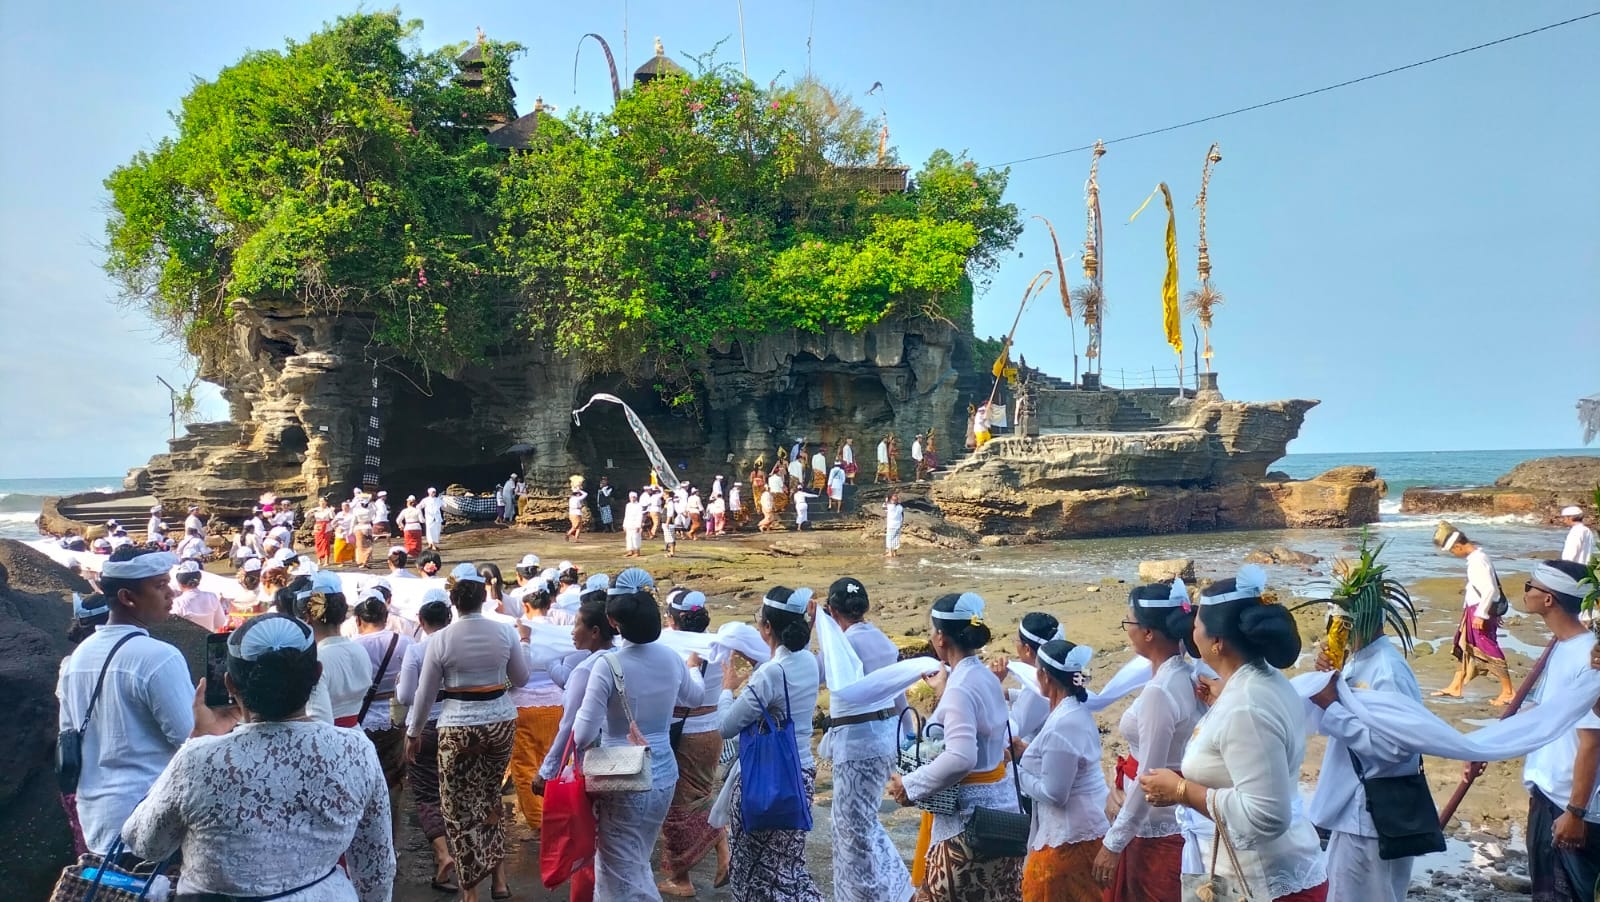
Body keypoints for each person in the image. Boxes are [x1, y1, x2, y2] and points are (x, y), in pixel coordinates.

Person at [121, 613, 395, 901]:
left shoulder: (198, 759)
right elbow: (375, 866)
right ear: (317, 673)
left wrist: (199, 737)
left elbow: (146, 844)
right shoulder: (355, 750)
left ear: (229, 684)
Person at [1139, 566, 1329, 902]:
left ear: (1217, 642)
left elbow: (1267, 816)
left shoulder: (1246, 707)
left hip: (1261, 882)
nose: (1190, 630)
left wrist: (1182, 790)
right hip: (1244, 872)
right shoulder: (1257, 682)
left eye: (1197, 624)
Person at [56, 548, 223, 856]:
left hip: (98, 821)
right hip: (149, 823)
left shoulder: (77, 658)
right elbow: (190, 741)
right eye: (160, 586)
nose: (171, 593)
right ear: (127, 597)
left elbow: (69, 735)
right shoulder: (159, 657)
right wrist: (222, 721)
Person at [406, 563, 531, 902]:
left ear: (454, 601)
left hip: (458, 724)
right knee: (489, 797)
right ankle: (499, 880)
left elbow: (424, 694)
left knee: (457, 808)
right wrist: (524, 642)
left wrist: (413, 732)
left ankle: (470, 890)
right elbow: (521, 678)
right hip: (500, 721)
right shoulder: (505, 632)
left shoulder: (441, 639)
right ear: (482, 597)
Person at [570, 571, 698, 898]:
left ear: (613, 622)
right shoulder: (672, 659)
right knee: (637, 857)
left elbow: (582, 734)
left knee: (615, 865)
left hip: (621, 772)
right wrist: (694, 667)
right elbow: (694, 697)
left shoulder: (608, 665)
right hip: (664, 771)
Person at [888, 592, 1023, 900]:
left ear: (940, 637)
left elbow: (961, 757)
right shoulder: (985, 678)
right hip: (1004, 819)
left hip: (969, 827)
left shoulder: (961, 687)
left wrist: (910, 785)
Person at [1304, 579, 1425, 902]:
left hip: (1372, 814)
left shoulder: (1387, 670)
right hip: (1353, 812)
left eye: (1341, 622)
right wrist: (1327, 683)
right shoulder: (1358, 660)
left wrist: (1332, 706)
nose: (1335, 629)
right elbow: (1334, 725)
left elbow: (1397, 748)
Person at [1093, 580, 1202, 900]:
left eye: (1129, 622)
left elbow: (1151, 775)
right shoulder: (1184, 674)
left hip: (1156, 829)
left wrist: (1114, 843)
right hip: (1167, 818)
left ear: (1149, 632)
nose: (1127, 630)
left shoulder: (1160, 691)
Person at [720, 586, 825, 901]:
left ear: (767, 627)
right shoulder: (809, 661)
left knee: (754, 873)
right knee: (789, 869)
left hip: (765, 779)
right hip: (801, 774)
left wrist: (727, 689)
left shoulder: (770, 673)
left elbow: (727, 726)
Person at [1506, 560, 1600, 899]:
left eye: (1529, 586)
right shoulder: (1560, 646)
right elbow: (1546, 714)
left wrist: (1576, 812)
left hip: (1571, 805)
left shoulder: (1589, 656)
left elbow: (1592, 742)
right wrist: (1485, 744)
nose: (1525, 592)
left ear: (1549, 599)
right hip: (1547, 793)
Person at [817, 577, 911, 902]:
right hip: (886, 736)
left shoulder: (844, 646)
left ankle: (867, 894)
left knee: (850, 829)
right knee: (864, 822)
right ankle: (896, 886)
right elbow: (899, 693)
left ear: (832, 611)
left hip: (859, 744)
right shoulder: (881, 639)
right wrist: (908, 736)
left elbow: (816, 673)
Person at [1013, 639, 1109, 901]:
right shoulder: (1072, 711)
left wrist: (1015, 770)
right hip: (1083, 827)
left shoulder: (1064, 723)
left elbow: (1055, 794)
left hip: (1071, 837)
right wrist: (1023, 753)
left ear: (1044, 675)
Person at [658, 589, 732, 897]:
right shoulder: (719, 644)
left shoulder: (668, 648)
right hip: (713, 731)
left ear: (672, 620)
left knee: (677, 808)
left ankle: (681, 878)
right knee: (701, 796)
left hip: (684, 735)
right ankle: (723, 849)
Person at [397, 592, 458, 892]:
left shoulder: (417, 650)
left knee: (426, 793)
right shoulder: (458, 646)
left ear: (421, 621)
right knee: (455, 789)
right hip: (456, 723)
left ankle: (443, 854)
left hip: (423, 727)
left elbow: (406, 696)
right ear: (449, 618)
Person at [505, 581, 564, 840]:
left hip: (523, 706)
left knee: (525, 765)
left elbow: (516, 671)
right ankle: (559, 815)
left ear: (525, 605)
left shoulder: (516, 631)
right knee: (556, 761)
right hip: (557, 703)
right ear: (550, 602)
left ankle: (539, 822)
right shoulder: (561, 632)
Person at [354, 592, 415, 840]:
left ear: (358, 620)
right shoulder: (405, 642)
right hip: (396, 717)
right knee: (393, 778)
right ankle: (390, 836)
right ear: (386, 617)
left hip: (362, 719)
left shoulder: (354, 647)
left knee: (363, 778)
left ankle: (365, 834)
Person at [1433, 525, 1516, 705]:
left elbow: (1489, 589)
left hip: (1479, 610)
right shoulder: (1479, 557)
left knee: (1488, 647)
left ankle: (1508, 691)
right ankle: (1456, 686)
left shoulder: (1477, 561)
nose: (1454, 554)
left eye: (1453, 551)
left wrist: (1482, 614)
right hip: (1474, 608)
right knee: (1464, 645)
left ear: (1458, 546)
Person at [297, 570, 373, 727]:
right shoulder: (360, 650)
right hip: (356, 732)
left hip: (326, 734)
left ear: (308, 616)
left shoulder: (316, 659)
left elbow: (318, 717)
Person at [987, 611, 1061, 741]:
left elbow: (1010, 730)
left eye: (1017, 640)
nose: (1015, 644)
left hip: (1031, 749)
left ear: (1027, 649)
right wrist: (1008, 694)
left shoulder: (1040, 687)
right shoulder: (1053, 670)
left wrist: (994, 687)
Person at [171, 559, 226, 631]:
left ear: (179, 582)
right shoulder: (211, 597)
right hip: (208, 636)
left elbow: (172, 628)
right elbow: (220, 623)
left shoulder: (178, 603)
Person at [313, 497, 336, 565]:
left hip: (326, 528)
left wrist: (332, 511)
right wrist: (309, 512)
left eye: (323, 501)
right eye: (320, 501)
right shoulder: (316, 509)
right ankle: (319, 560)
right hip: (318, 527)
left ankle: (326, 561)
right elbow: (306, 515)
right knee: (318, 543)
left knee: (325, 544)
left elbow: (332, 517)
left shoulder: (328, 510)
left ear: (326, 502)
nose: (322, 502)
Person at [623, 491, 645, 557]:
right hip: (628, 524)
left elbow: (640, 516)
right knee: (629, 538)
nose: (632, 498)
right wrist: (624, 525)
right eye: (631, 497)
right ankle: (630, 551)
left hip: (635, 524)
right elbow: (626, 515)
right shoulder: (628, 505)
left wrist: (638, 525)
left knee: (636, 538)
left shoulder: (639, 505)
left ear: (636, 498)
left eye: (634, 497)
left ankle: (637, 552)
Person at [884, 491, 904, 558]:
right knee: (896, 539)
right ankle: (895, 553)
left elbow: (884, 507)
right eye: (895, 496)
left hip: (891, 525)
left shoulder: (889, 506)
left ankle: (890, 553)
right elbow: (902, 515)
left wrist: (886, 500)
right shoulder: (900, 506)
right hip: (898, 525)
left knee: (890, 539)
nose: (896, 497)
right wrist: (901, 522)